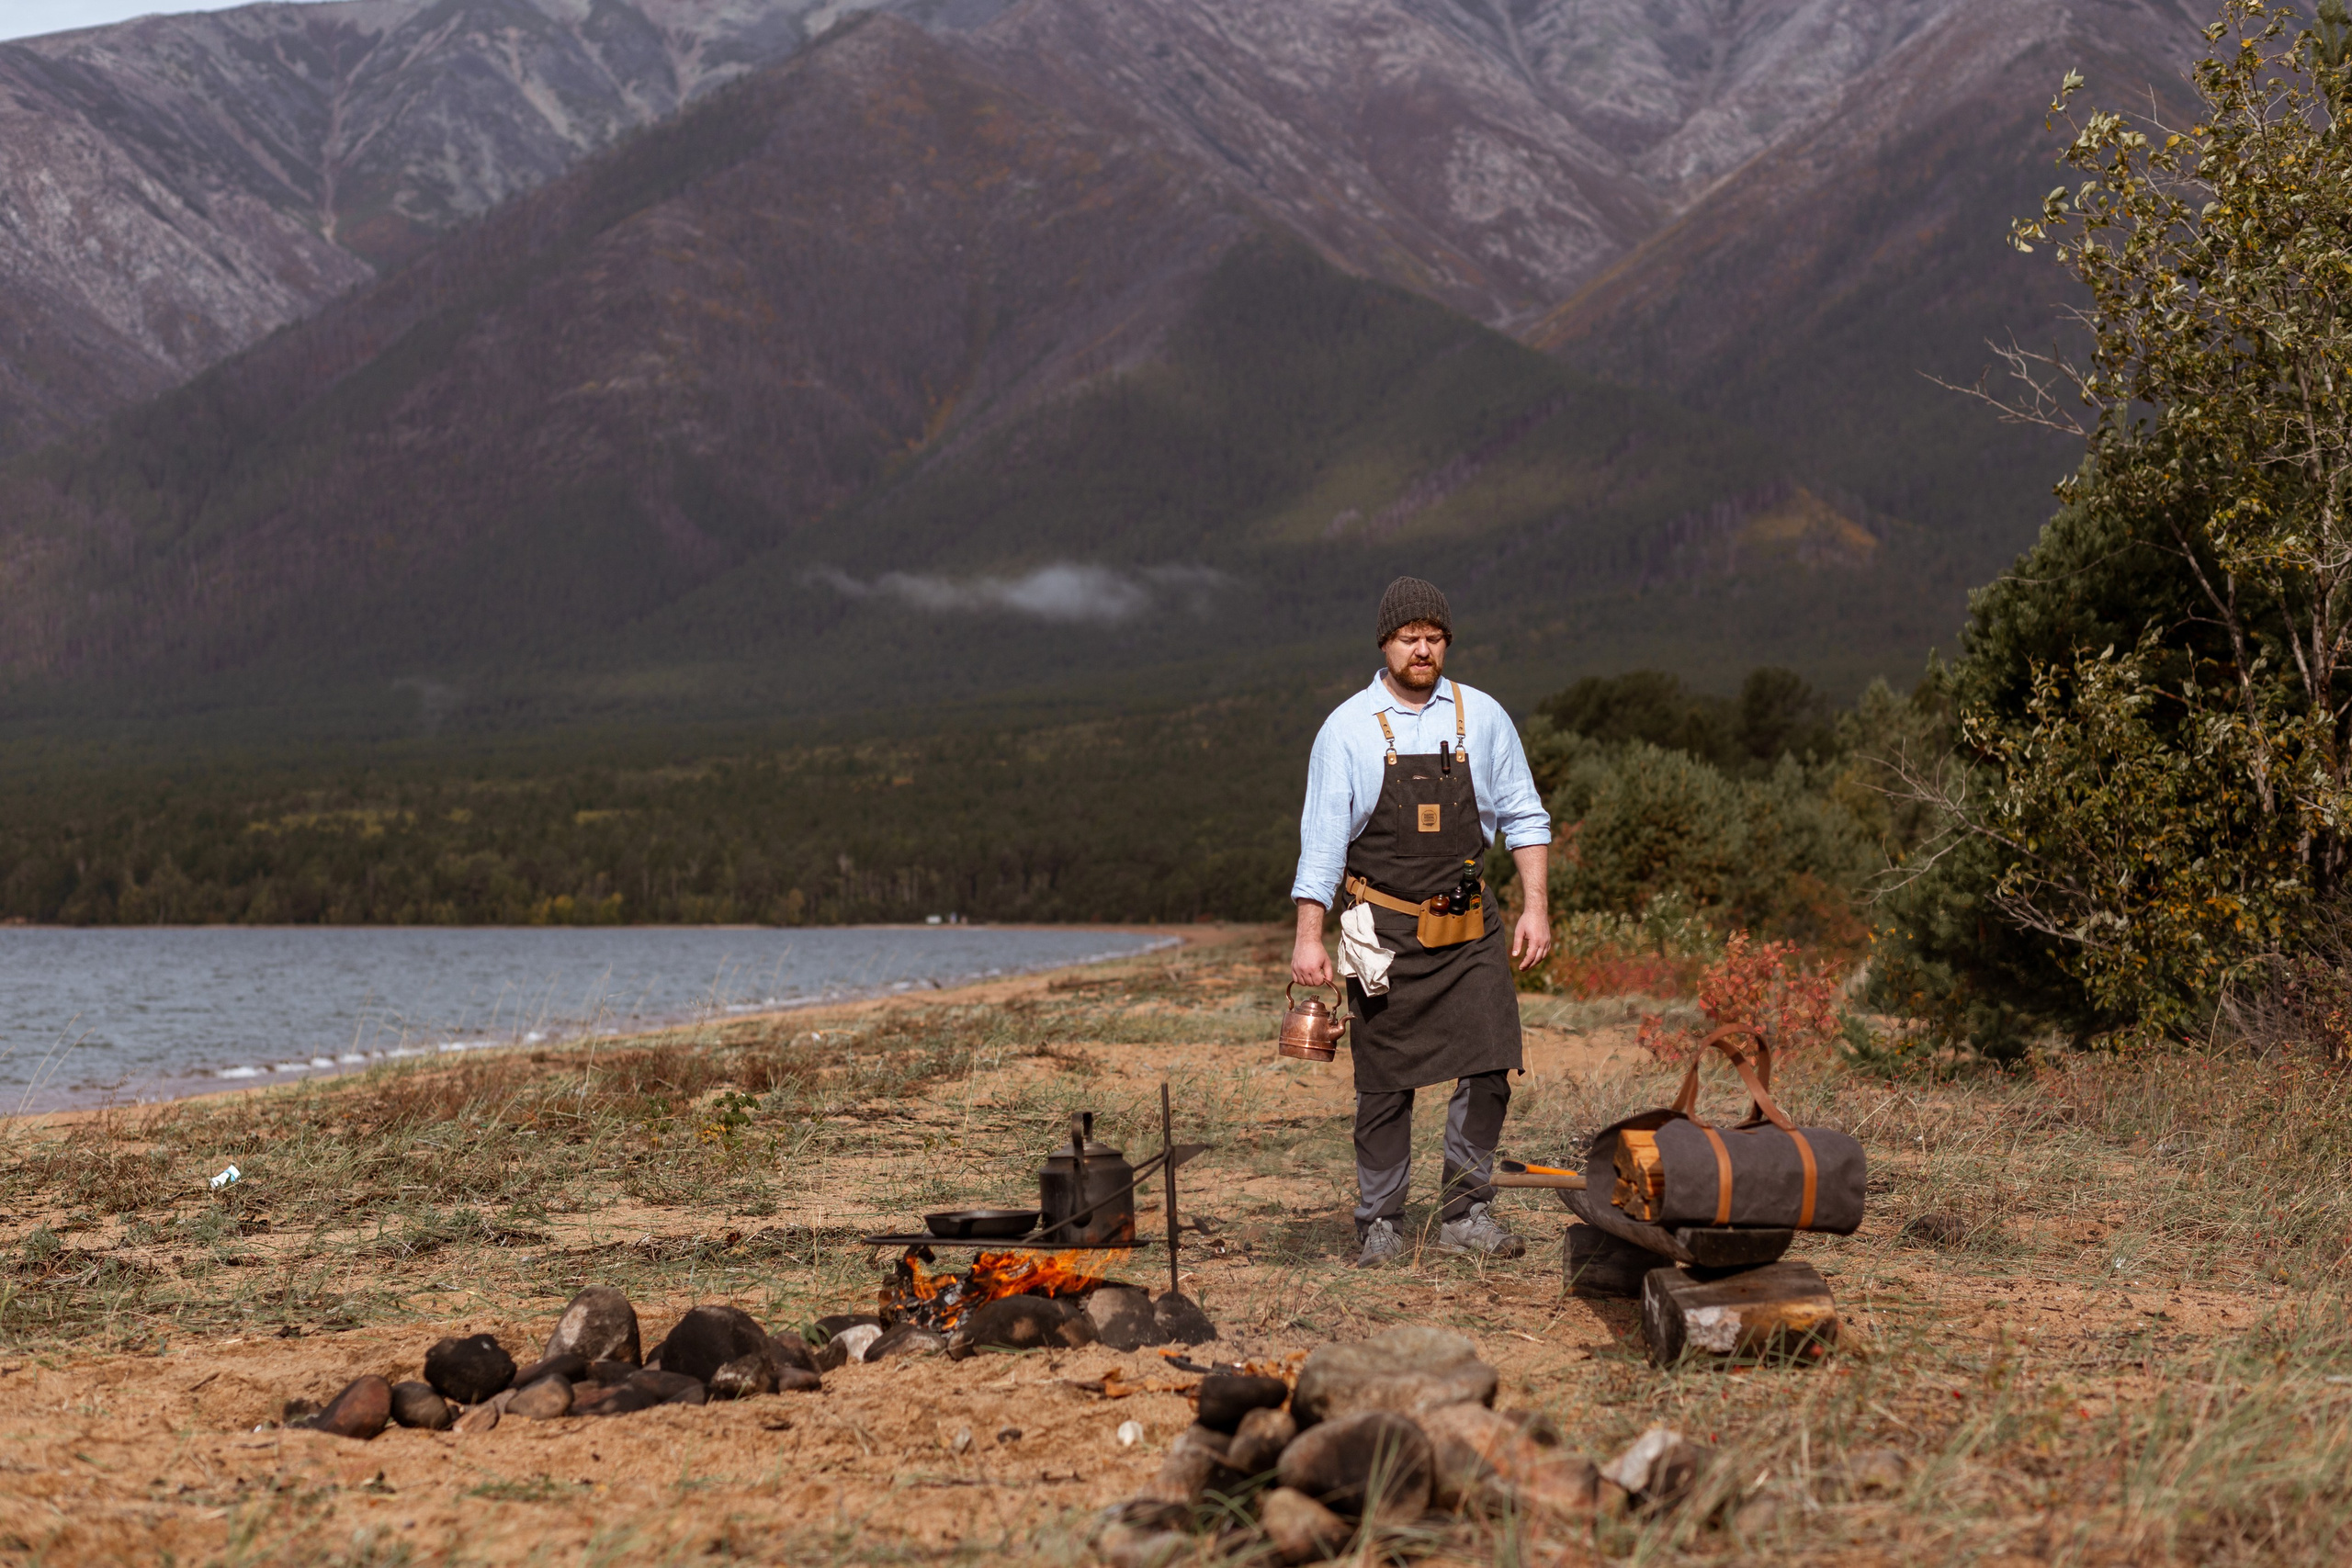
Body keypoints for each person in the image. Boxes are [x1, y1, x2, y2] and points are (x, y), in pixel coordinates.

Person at [1291, 577, 1554, 1267]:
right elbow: (1322, 842)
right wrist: (1307, 935)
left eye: (1434, 637)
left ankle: (1467, 1210)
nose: (1422, 649)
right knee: (1384, 1082)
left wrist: (1535, 906)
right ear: (1385, 642)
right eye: (1410, 637)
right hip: (1383, 933)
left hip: (1470, 924)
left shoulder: (1484, 716)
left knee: (1492, 1061)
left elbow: (1525, 817)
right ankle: (1379, 1220)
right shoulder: (1346, 728)